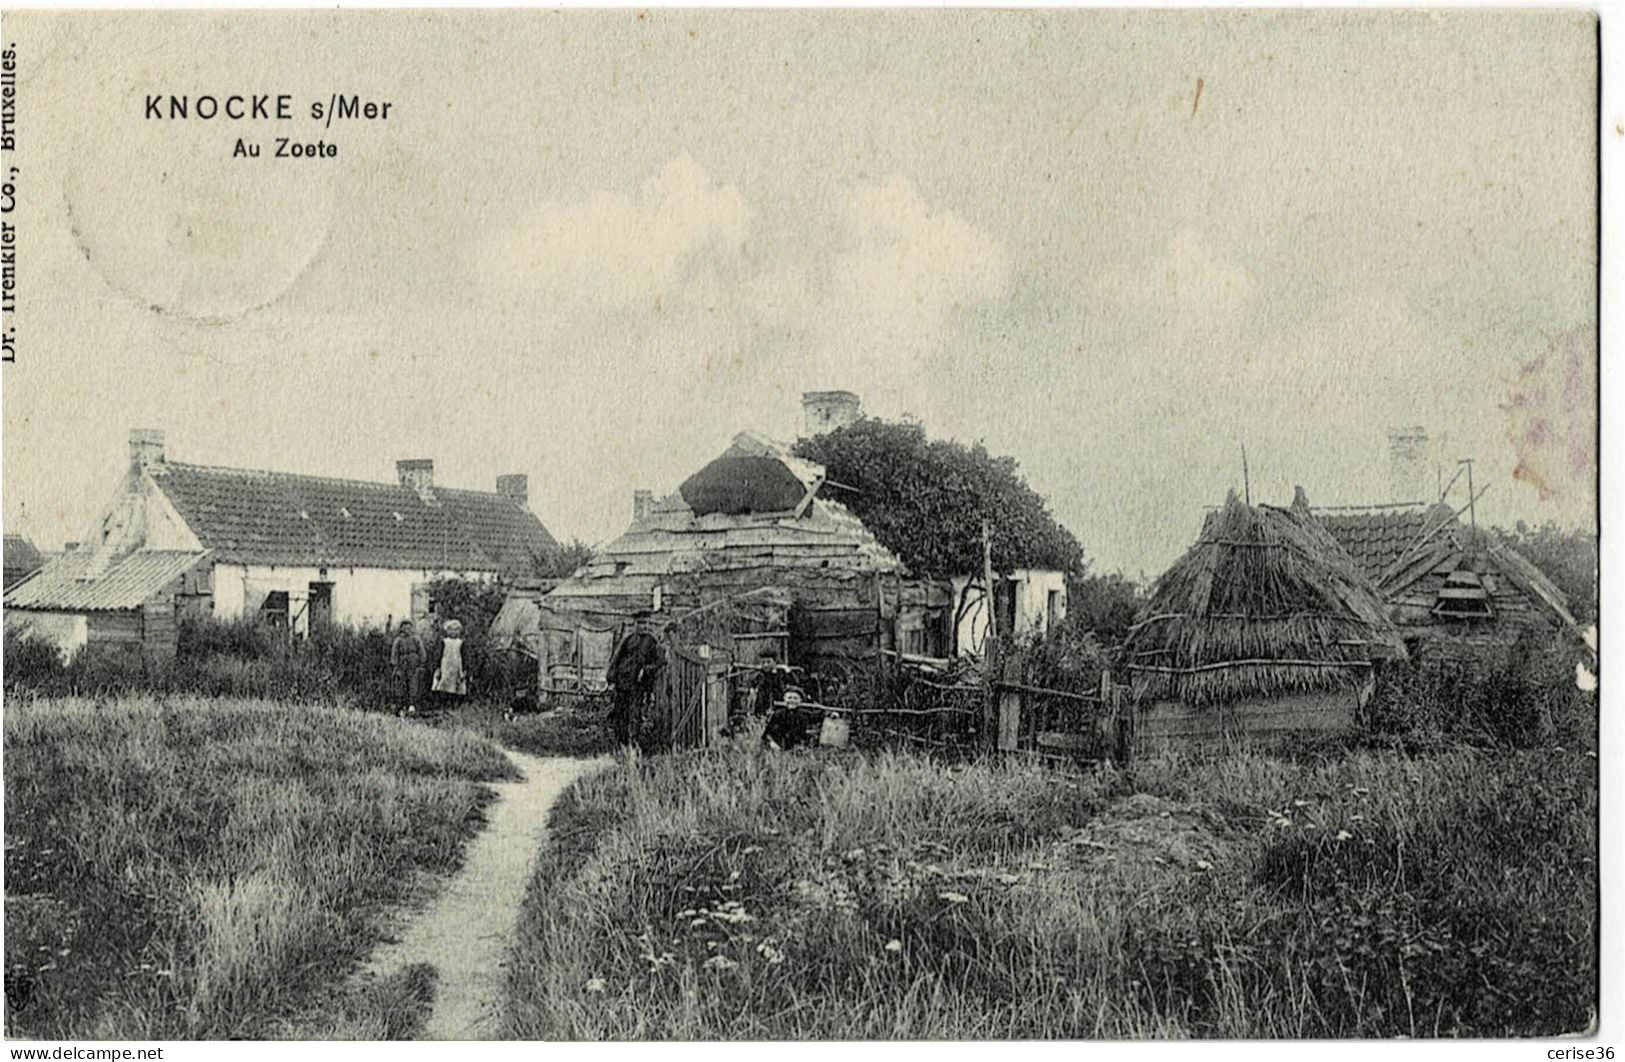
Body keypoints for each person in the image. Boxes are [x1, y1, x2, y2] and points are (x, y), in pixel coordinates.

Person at [607, 610, 663, 747]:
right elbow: (616, 659)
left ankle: (633, 744)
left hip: (637, 684)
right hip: (622, 681)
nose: (642, 626)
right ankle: (620, 743)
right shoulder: (627, 639)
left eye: (645, 623)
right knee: (620, 712)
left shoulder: (651, 641)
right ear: (634, 624)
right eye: (639, 623)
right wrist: (611, 679)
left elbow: (660, 661)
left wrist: (646, 670)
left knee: (634, 714)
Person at [390, 619, 426, 717]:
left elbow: (421, 652)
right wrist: (395, 665)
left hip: (413, 666)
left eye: (409, 627)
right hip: (402, 666)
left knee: (414, 685)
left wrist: (422, 663)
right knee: (401, 685)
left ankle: (412, 706)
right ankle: (402, 707)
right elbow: (394, 653)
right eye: (405, 627)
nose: (407, 629)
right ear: (401, 629)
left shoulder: (416, 639)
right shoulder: (398, 640)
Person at [431, 618, 469, 707]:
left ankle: (454, 704)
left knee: (456, 683)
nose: (454, 632)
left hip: (457, 665)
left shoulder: (461, 642)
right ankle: (443, 703)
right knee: (444, 682)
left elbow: (465, 656)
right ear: (447, 631)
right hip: (445, 664)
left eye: (456, 630)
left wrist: (464, 668)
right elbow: (439, 654)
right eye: (451, 630)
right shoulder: (444, 642)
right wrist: (437, 667)